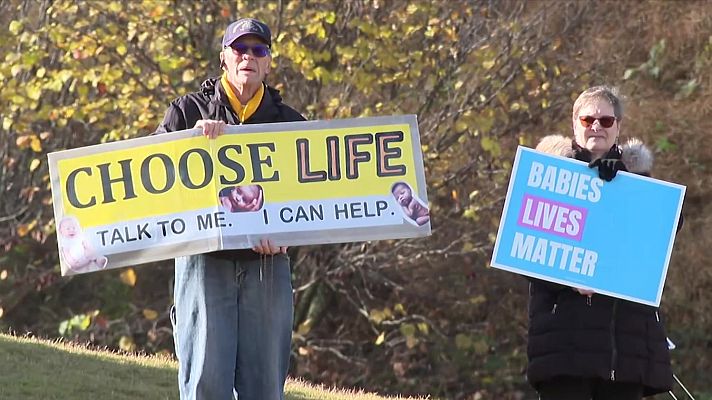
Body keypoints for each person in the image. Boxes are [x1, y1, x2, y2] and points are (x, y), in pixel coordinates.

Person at [154, 17, 305, 400]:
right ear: (224, 57)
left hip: (267, 267)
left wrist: (289, 237)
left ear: (269, 62)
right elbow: (150, 181)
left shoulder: (292, 124)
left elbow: (310, 202)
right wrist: (190, 148)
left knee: (265, 388)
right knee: (206, 382)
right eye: (240, 49)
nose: (248, 57)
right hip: (204, 264)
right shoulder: (186, 113)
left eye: (259, 50)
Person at [528, 86, 675, 399]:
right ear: (575, 125)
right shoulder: (544, 179)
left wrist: (625, 183)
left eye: (606, 121)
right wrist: (566, 279)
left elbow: (664, 232)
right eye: (588, 119)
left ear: (618, 127)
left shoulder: (641, 182)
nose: (596, 126)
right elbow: (523, 248)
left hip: (624, 347)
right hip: (565, 345)